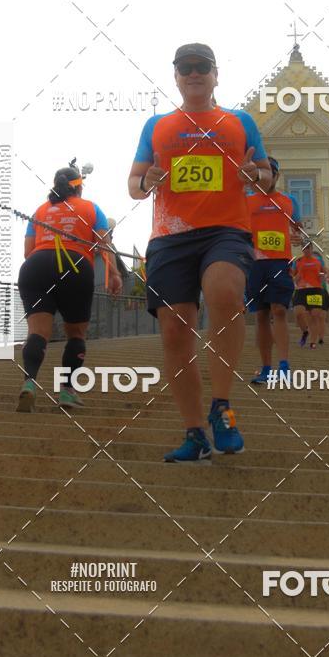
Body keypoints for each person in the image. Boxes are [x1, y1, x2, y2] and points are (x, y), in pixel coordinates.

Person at [128, 42, 271, 462]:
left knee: (225, 291)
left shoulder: (240, 121)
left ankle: (222, 406)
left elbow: (266, 176)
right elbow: (134, 185)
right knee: (176, 330)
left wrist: (256, 173)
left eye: (202, 67)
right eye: (185, 67)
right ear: (175, 76)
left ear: (215, 74)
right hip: (170, 237)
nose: (194, 73)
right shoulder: (156, 125)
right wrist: (148, 180)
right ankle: (195, 435)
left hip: (225, 230)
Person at [16, 163, 121, 412]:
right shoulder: (91, 208)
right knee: (76, 334)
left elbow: (27, 251)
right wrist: (114, 273)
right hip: (75, 266)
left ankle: (29, 384)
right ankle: (67, 391)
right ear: (79, 187)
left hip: (36, 266)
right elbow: (104, 246)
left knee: (38, 332)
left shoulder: (40, 211)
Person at [246, 156, 301, 384]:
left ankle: (284, 366)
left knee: (279, 310)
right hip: (255, 264)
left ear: (276, 176)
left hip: (280, 262)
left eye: (271, 172)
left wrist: (296, 236)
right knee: (261, 315)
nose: (266, 176)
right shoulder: (246, 201)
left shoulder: (289, 201)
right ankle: (267, 367)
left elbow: (297, 228)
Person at [291, 241, 329, 349]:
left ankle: (313, 342)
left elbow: (324, 272)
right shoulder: (298, 261)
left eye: (308, 248)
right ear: (302, 249)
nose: (306, 250)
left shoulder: (319, 260)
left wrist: (323, 277)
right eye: (304, 248)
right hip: (301, 289)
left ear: (312, 249)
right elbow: (292, 275)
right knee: (298, 313)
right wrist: (295, 278)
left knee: (314, 316)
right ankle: (305, 331)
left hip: (315, 289)